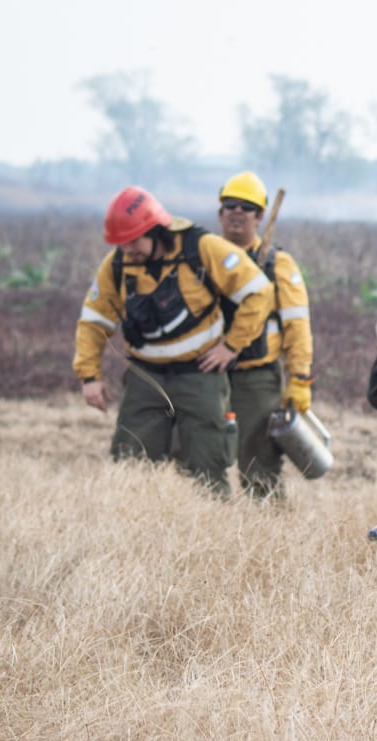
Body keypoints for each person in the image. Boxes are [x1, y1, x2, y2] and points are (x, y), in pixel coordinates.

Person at [73, 186, 274, 497]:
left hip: (200, 376)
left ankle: (212, 531)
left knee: (208, 467)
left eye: (134, 241)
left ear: (155, 231)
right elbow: (93, 321)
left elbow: (258, 291)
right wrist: (89, 376)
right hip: (145, 377)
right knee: (130, 465)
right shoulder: (117, 265)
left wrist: (232, 346)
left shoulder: (201, 247)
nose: (128, 249)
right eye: (121, 243)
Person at [216, 171, 315, 499]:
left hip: (256, 379)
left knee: (259, 465)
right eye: (229, 205)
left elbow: (297, 326)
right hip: (207, 375)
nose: (236, 212)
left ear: (260, 216)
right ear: (220, 213)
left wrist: (299, 380)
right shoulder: (204, 259)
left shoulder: (277, 264)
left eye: (246, 207)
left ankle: (272, 530)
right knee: (199, 457)